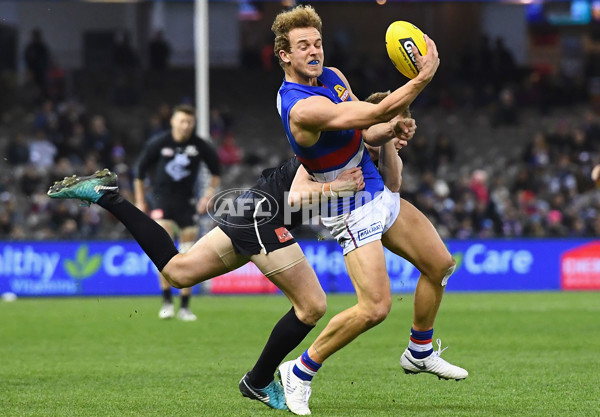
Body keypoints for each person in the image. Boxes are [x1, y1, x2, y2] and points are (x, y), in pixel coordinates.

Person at [47, 156, 366, 410]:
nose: (406, 132)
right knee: (311, 305)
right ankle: (258, 380)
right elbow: (299, 193)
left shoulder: (364, 152)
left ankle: (108, 197)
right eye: (394, 127)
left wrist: (391, 148)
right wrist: (332, 189)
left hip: (254, 209)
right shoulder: (338, 142)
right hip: (264, 216)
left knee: (178, 272)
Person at [271, 5, 466, 415]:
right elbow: (374, 111)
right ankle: (300, 371)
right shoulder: (300, 106)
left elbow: (366, 127)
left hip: (375, 189)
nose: (314, 51)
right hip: (347, 206)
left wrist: (391, 130)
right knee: (374, 308)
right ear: (284, 55)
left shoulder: (333, 78)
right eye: (302, 45)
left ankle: (420, 350)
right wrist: (422, 77)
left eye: (318, 43)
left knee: (440, 264)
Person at [134, 104, 221, 321]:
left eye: (190, 122)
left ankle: (184, 307)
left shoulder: (199, 145)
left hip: (186, 204)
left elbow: (216, 170)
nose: (186, 125)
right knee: (164, 250)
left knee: (187, 254)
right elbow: (139, 171)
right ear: (173, 121)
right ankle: (166, 302)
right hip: (161, 201)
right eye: (182, 121)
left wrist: (208, 193)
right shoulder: (160, 143)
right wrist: (140, 200)